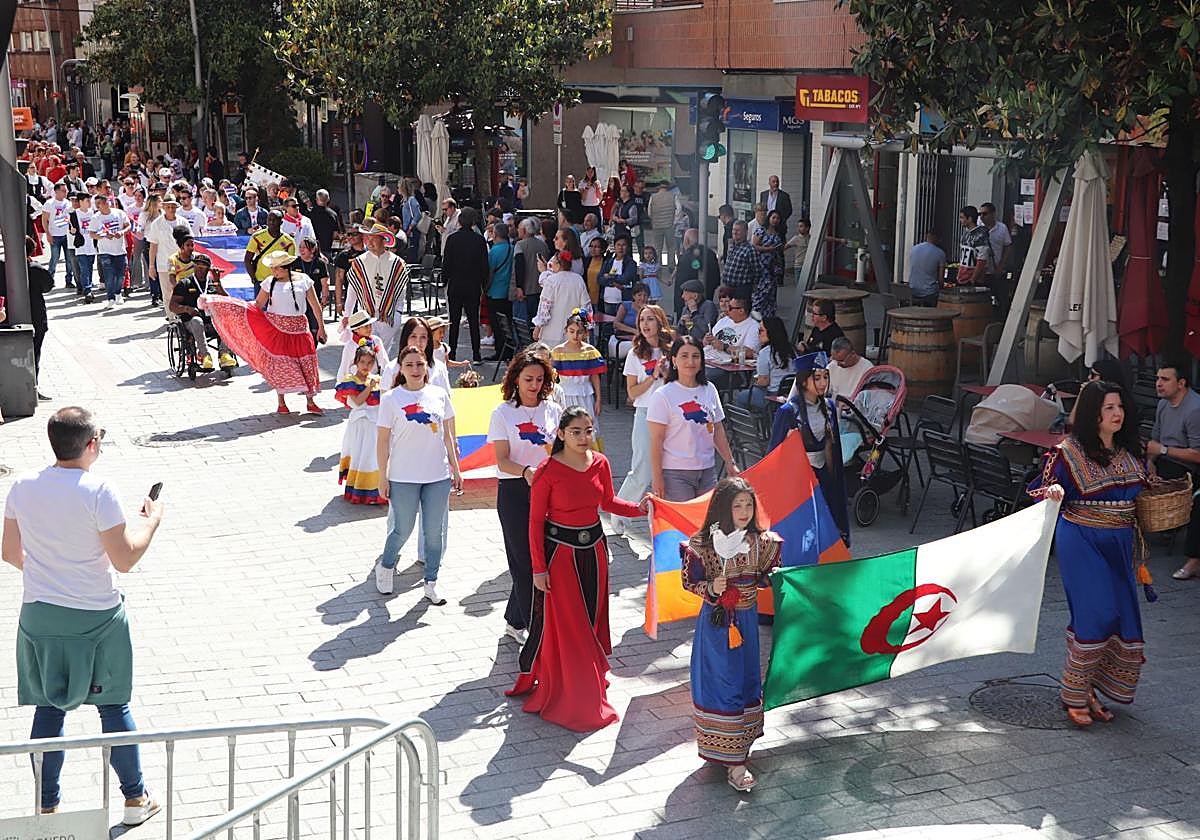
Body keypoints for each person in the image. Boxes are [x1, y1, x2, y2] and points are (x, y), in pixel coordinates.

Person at [1, 407, 163, 824]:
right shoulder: (99, 490)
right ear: (91, 444)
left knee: (49, 709)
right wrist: (151, 523)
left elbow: (9, 552)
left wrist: (48, 573)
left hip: (40, 615)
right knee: (113, 707)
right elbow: (124, 558)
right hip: (96, 617)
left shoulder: (21, 485)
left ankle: (46, 807)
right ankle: (134, 800)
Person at [506, 407, 645, 731]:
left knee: (592, 619)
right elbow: (534, 523)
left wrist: (641, 509)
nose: (584, 437)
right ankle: (576, 693)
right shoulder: (547, 470)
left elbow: (608, 503)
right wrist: (538, 570)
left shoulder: (600, 462)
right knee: (572, 625)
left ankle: (588, 679)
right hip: (561, 557)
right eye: (577, 431)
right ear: (561, 434)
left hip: (595, 553)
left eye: (588, 430)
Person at [1027, 381, 1149, 726]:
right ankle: (1073, 692)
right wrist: (1051, 491)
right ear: (1093, 413)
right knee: (1098, 611)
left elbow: (1145, 488)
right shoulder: (1069, 451)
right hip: (1081, 537)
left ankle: (1091, 689)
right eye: (1109, 408)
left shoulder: (1131, 451)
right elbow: (1038, 486)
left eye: (1120, 407)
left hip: (1120, 540)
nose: (1117, 414)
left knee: (1121, 613)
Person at [682, 478, 782, 791]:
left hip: (747, 624)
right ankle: (734, 763)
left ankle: (736, 748)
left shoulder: (761, 542)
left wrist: (771, 578)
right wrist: (711, 587)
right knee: (722, 681)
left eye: (748, 505)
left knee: (746, 678)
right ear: (723, 508)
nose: (743, 510)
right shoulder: (703, 545)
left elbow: (766, 575)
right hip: (717, 625)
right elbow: (689, 581)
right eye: (736, 505)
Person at [375, 346, 462, 603]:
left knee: (434, 532)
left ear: (427, 367)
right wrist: (383, 475)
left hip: (437, 475)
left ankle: (431, 581)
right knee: (402, 528)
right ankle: (387, 565)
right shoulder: (391, 399)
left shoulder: (438, 395)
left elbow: (448, 436)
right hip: (403, 476)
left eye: (420, 364)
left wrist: (456, 469)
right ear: (400, 368)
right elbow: (382, 441)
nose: (415, 370)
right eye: (410, 365)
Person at [489, 353, 562, 645]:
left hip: (550, 493)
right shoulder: (503, 413)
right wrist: (526, 472)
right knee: (523, 562)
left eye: (539, 379)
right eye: (528, 379)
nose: (534, 385)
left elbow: (561, 453)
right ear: (515, 379)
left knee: (545, 557)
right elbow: (502, 461)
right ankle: (537, 627)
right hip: (515, 492)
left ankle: (514, 619)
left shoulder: (554, 410)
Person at [204, 250, 325, 414]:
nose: (273, 271)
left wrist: (321, 328)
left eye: (276, 268)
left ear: (286, 267)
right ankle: (281, 401)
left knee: (306, 363)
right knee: (280, 364)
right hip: (277, 328)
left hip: (300, 328)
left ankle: (310, 401)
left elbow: (315, 305)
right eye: (272, 268)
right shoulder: (269, 282)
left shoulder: (304, 280)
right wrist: (231, 305)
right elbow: (258, 305)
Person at [769, 352, 850, 545]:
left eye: (825, 377)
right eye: (817, 378)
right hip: (798, 479)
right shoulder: (789, 412)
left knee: (825, 525)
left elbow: (833, 447)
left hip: (823, 474)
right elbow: (774, 453)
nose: (823, 383)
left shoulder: (829, 407)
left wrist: (834, 479)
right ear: (804, 381)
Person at [647, 336, 739, 501]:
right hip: (675, 474)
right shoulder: (663, 395)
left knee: (707, 523)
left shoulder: (709, 389)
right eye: (684, 356)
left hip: (707, 470)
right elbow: (656, 441)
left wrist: (729, 461)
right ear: (674, 360)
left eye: (695, 356)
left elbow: (717, 429)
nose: (690, 361)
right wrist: (657, 478)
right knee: (684, 525)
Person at [1145, 361, 1200, 581]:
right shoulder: (1163, 405)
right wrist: (1150, 460)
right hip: (1164, 458)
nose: (1158, 384)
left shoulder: (1194, 410)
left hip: (1188, 468)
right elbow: (1154, 440)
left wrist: (1163, 450)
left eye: (1165, 379)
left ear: (1181, 383)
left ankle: (1192, 559)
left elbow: (1198, 454)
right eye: (1157, 378)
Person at [343, 223, 408, 354]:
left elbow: (401, 291)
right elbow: (353, 290)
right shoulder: (360, 262)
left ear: (384, 240)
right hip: (366, 316)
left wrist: (398, 313)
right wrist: (347, 314)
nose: (369, 242)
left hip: (389, 316)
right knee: (368, 351)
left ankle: (383, 374)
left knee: (384, 353)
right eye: (368, 238)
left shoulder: (397, 263)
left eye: (374, 239)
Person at [334, 346, 385, 505]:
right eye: (362, 362)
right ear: (356, 362)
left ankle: (376, 491)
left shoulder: (377, 379)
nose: (366, 366)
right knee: (361, 455)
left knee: (374, 457)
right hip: (360, 425)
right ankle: (359, 490)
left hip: (375, 425)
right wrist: (369, 387)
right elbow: (356, 402)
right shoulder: (350, 381)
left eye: (370, 362)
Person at [169, 251, 236, 371]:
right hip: (192, 322)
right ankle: (205, 355)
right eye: (198, 267)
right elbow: (172, 306)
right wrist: (187, 309)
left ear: (208, 270)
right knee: (197, 321)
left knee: (226, 319)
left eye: (203, 268)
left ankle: (224, 354)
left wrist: (217, 283)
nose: (200, 270)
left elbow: (227, 300)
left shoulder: (212, 284)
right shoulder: (184, 283)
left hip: (212, 322)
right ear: (193, 267)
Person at [441, 208, 489, 362]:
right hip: (473, 285)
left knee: (454, 320)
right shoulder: (479, 240)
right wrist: (484, 284)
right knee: (473, 320)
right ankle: (476, 354)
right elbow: (484, 265)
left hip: (455, 284)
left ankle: (452, 353)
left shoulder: (452, 239)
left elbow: (446, 263)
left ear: (460, 221)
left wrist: (444, 280)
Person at [551, 310, 605, 421]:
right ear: (566, 331)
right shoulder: (558, 351)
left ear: (585, 333)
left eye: (579, 332)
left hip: (585, 394)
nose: (575, 335)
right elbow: (552, 376)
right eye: (572, 331)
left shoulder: (590, 351)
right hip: (564, 394)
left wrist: (598, 399)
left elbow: (594, 376)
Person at [533, 250, 591, 348]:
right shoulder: (578, 280)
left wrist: (538, 326)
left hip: (551, 332)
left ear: (558, 264)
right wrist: (587, 327)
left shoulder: (551, 281)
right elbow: (586, 307)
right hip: (573, 332)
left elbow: (544, 308)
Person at [736, 316, 795, 409]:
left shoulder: (765, 352)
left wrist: (756, 381)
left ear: (771, 332)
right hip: (789, 393)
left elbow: (764, 382)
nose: (758, 334)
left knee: (740, 396)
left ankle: (744, 422)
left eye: (761, 331)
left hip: (771, 396)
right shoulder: (792, 350)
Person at [87, 193, 131, 311]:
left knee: (121, 274)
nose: (96, 206)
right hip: (105, 251)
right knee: (109, 275)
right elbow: (91, 233)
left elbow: (128, 225)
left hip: (120, 249)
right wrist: (103, 236)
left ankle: (118, 293)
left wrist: (121, 232)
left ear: (106, 203)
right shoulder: (96, 217)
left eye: (98, 204)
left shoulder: (119, 213)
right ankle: (110, 297)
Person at [243, 210, 296, 292]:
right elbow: (247, 259)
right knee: (260, 305)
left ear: (281, 222)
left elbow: (290, 264)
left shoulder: (289, 241)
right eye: (269, 219)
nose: (271, 222)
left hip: (280, 282)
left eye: (274, 220)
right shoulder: (257, 236)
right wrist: (253, 279)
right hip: (261, 281)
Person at [485, 222, 516, 361]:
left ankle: (500, 351)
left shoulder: (494, 251)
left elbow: (490, 272)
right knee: (508, 323)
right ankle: (509, 350)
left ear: (495, 235)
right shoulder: (513, 248)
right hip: (508, 292)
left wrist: (485, 287)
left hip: (495, 291)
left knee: (497, 325)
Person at [674, 228, 721, 309]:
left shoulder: (685, 258)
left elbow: (680, 283)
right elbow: (716, 278)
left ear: (686, 241)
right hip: (708, 296)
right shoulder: (711, 254)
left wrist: (678, 305)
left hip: (689, 303)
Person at [336, 309, 389, 380]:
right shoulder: (350, 345)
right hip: (355, 382)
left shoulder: (376, 340)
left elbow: (384, 360)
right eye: (365, 326)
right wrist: (341, 383)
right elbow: (345, 367)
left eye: (370, 325)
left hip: (373, 379)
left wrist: (388, 377)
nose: (369, 328)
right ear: (355, 330)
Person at [751, 210, 785, 319]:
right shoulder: (761, 231)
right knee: (761, 291)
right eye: (773, 217)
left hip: (773, 266)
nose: (775, 220)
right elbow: (754, 245)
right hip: (762, 265)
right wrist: (767, 249)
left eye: (778, 218)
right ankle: (755, 315)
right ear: (769, 218)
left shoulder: (778, 233)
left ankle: (769, 319)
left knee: (771, 294)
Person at [512, 217, 548, 319]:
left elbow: (519, 266)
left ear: (524, 230)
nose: (517, 230)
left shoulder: (520, 245)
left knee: (524, 321)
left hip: (526, 290)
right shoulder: (543, 245)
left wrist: (519, 287)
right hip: (541, 289)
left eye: (519, 228)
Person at [908, 230, 947, 307]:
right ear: (937, 238)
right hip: (929, 293)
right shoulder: (940, 253)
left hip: (912, 290)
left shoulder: (913, 249)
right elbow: (941, 279)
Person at [332, 225, 365, 316]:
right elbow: (339, 280)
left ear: (362, 235)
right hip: (351, 295)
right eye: (348, 234)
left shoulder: (370, 252)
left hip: (370, 295)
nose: (350, 237)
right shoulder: (344, 255)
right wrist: (338, 302)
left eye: (354, 234)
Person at [722, 221, 757, 303]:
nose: (734, 232)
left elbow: (757, 272)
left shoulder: (750, 250)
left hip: (741, 290)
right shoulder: (731, 247)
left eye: (738, 230)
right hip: (727, 288)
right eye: (734, 230)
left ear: (745, 232)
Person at [957, 205, 992, 286]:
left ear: (969, 219)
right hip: (962, 277)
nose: (960, 220)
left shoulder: (981, 235)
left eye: (962, 218)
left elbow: (982, 261)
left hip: (973, 280)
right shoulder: (965, 234)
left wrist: (973, 279)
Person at [647, 182, 677, 273]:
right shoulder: (673, 196)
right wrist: (674, 221)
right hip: (669, 225)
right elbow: (679, 209)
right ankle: (671, 266)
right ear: (667, 187)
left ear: (659, 187)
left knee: (658, 247)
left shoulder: (653, 197)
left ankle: (658, 265)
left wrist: (654, 219)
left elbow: (649, 211)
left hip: (657, 225)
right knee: (671, 247)